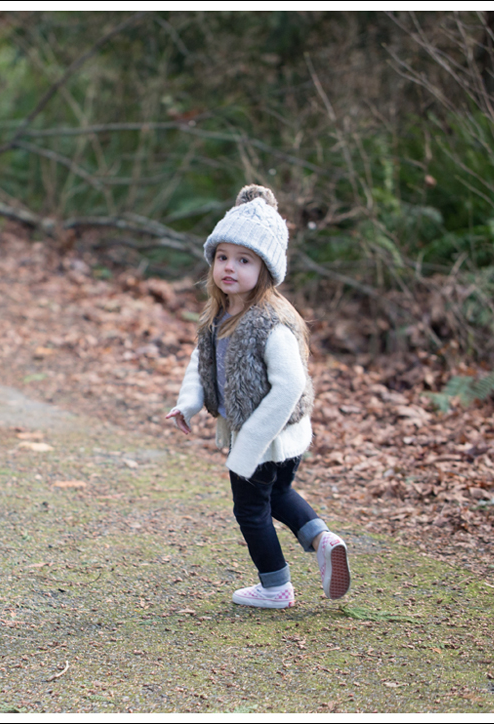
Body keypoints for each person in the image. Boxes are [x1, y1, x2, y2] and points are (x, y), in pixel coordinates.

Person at [166, 184, 350, 609]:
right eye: (223, 257)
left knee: (250, 510)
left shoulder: (271, 323)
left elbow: (288, 386)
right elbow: (204, 360)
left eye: (244, 260)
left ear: (266, 269)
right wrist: (189, 402)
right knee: (278, 495)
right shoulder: (222, 313)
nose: (229, 267)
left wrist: (248, 447)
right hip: (278, 438)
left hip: (266, 435)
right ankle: (322, 540)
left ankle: (275, 587)